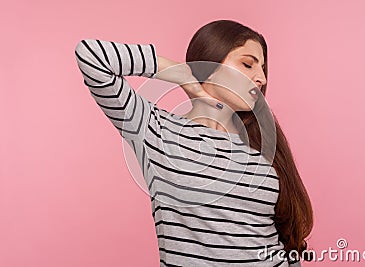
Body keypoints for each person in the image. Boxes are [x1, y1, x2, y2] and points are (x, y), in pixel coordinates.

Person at [74, 19, 313, 266]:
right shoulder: (155, 131)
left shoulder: (262, 145)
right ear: (209, 62)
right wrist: (180, 74)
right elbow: (92, 56)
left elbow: (285, 241)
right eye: (247, 64)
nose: (260, 77)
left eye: (263, 69)